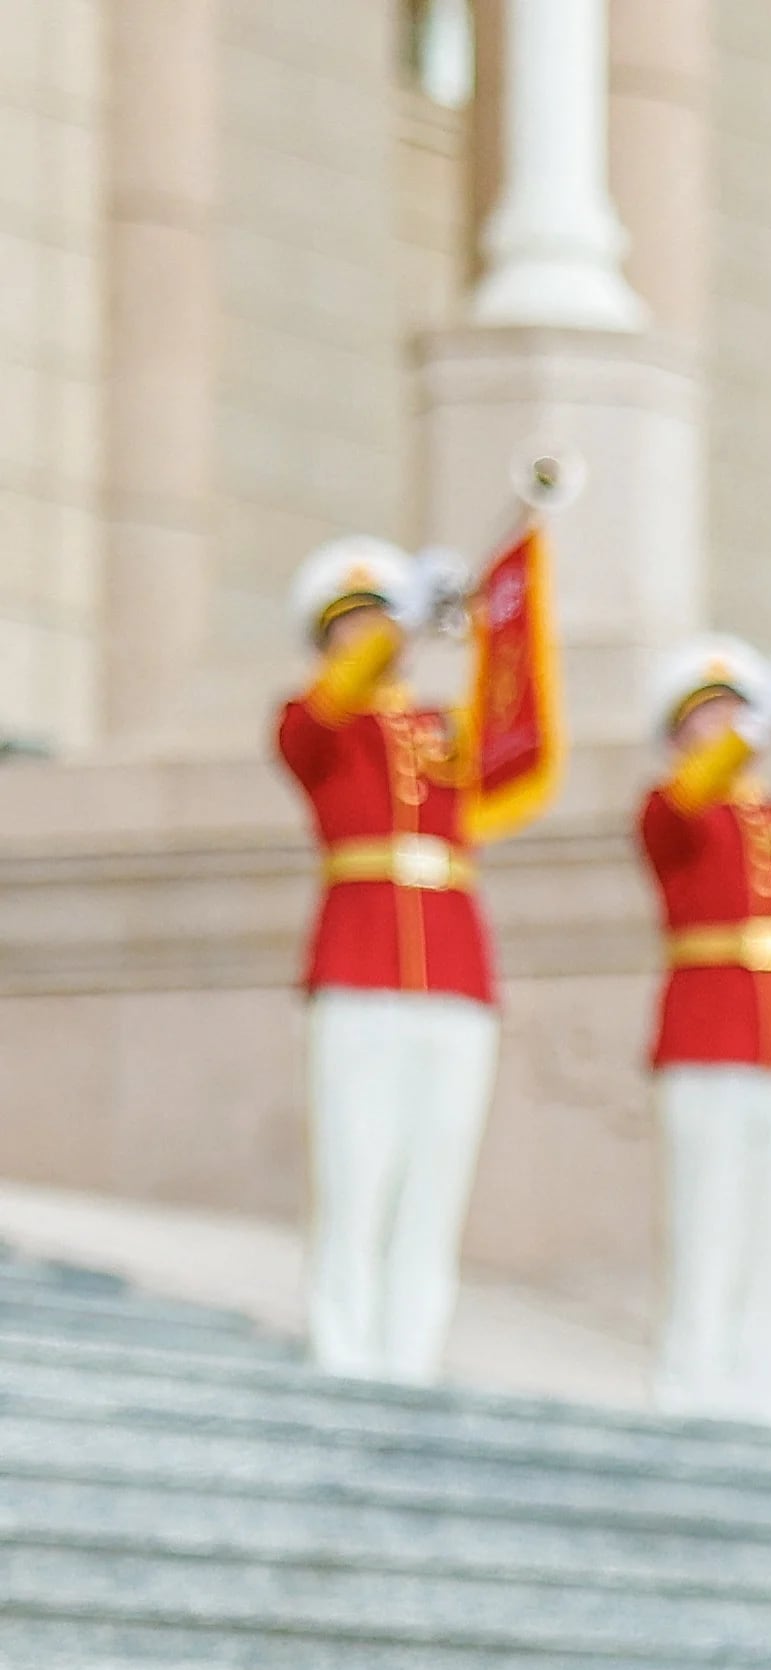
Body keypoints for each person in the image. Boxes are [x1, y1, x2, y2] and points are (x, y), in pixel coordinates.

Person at [277, 535, 497, 1383]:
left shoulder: (444, 732)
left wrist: (493, 621)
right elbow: (327, 710)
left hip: (454, 969)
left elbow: (519, 736)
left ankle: (412, 1354)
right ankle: (343, 1346)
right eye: (355, 626)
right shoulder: (311, 720)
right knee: (353, 1168)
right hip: (359, 960)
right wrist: (396, 620)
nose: (371, 638)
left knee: (434, 1177)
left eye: (380, 622)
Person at [640, 638, 771, 1424]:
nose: (728, 724)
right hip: (711, 1034)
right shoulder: (672, 807)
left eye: (737, 709)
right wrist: (756, 730)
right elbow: (691, 798)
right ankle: (689, 1384)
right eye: (711, 715)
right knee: (707, 1220)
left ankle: (765, 1390)